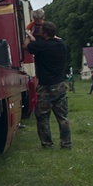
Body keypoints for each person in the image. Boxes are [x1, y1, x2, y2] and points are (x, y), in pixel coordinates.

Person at [25, 21, 72, 149]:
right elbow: (55, 39)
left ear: (44, 33)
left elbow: (27, 47)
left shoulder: (41, 46)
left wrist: (28, 34)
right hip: (60, 85)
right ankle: (66, 143)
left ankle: (47, 143)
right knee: (62, 116)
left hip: (45, 86)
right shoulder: (62, 45)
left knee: (42, 116)